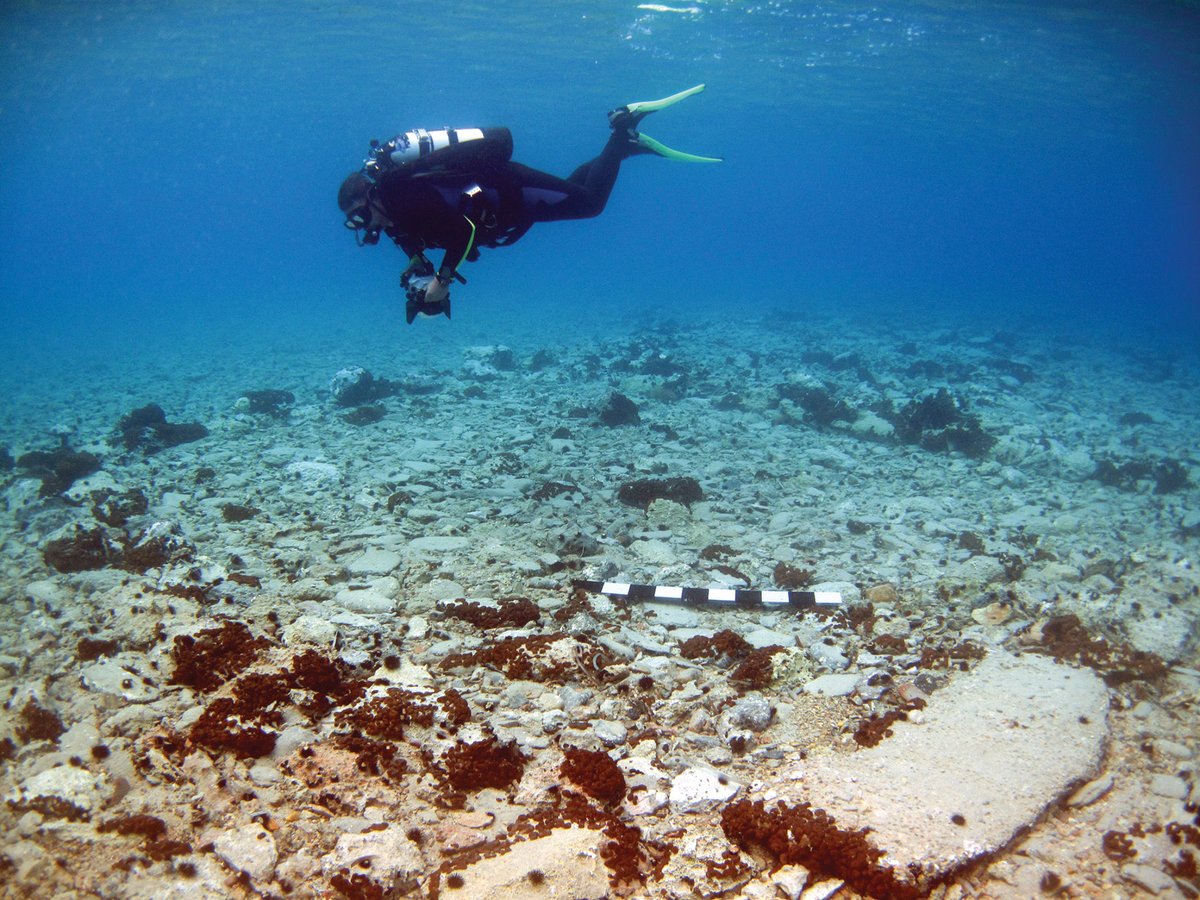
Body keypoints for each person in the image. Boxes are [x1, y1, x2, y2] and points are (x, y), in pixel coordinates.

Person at [338, 84, 721, 323]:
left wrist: (442, 279)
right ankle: (624, 147)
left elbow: (462, 230)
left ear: (368, 195)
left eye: (359, 216)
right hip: (511, 209)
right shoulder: (395, 222)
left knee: (589, 203)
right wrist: (423, 277)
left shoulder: (403, 196)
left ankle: (623, 127)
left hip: (511, 190)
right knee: (573, 191)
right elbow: (421, 249)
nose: (365, 226)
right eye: (356, 223)